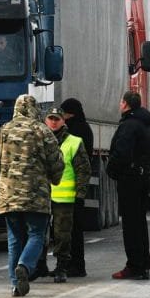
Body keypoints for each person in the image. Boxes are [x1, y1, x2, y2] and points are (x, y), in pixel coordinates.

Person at [0, 94, 64, 297]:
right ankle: (25, 266)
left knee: (14, 239)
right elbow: (56, 162)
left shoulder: (3, 131)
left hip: (8, 196)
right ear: (35, 110)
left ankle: (16, 285)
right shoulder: (43, 131)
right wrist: (55, 179)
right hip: (36, 196)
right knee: (36, 235)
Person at [107, 91, 150, 281]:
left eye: (121, 101)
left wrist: (112, 170)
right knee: (140, 223)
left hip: (130, 179)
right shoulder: (145, 124)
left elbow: (122, 153)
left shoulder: (129, 125)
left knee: (130, 225)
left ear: (126, 104)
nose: (120, 104)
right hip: (143, 177)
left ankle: (135, 266)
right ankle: (143, 264)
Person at [42, 107, 91, 283]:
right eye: (51, 118)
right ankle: (39, 266)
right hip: (42, 196)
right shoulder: (38, 141)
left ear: (63, 121)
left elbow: (83, 170)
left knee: (62, 235)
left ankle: (62, 267)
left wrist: (80, 194)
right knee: (39, 234)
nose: (54, 122)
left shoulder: (74, 142)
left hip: (65, 198)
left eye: (57, 119)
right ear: (45, 121)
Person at [59, 98, 95, 277]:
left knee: (71, 230)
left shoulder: (73, 131)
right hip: (75, 187)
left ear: (70, 113)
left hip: (70, 187)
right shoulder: (85, 128)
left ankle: (75, 265)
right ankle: (75, 264)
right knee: (73, 229)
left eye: (64, 113)